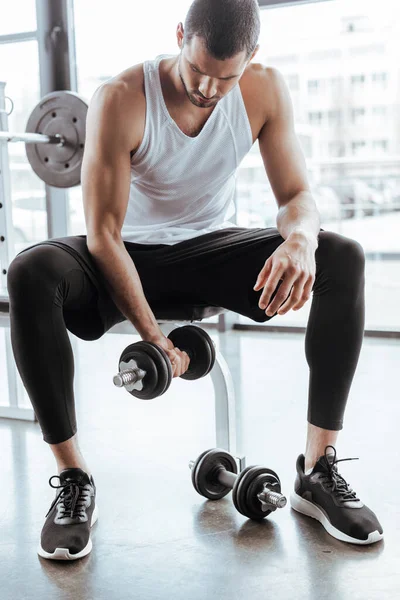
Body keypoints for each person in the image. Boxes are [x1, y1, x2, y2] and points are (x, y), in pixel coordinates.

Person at [7, 0, 383, 560]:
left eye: (224, 78)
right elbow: (103, 233)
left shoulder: (263, 90)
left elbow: (297, 197)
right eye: (197, 71)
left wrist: (301, 240)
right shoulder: (122, 97)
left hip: (208, 250)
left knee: (342, 256)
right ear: (180, 35)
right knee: (30, 270)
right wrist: (154, 339)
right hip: (123, 255)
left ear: (250, 58)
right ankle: (74, 479)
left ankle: (316, 469)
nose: (208, 88)